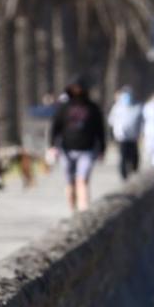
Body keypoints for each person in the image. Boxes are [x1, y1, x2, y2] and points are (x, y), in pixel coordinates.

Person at [48, 76, 106, 212]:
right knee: (69, 182)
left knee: (82, 180)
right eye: (74, 89)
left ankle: (84, 210)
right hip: (66, 150)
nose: (77, 92)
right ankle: (72, 210)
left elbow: (100, 129)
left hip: (87, 150)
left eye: (79, 89)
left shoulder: (92, 108)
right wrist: (52, 146)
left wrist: (102, 148)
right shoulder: (63, 108)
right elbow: (55, 127)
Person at [107, 86, 143, 180]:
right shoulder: (117, 107)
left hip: (133, 137)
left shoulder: (138, 106)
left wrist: (140, 133)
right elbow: (111, 121)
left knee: (134, 157)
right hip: (122, 137)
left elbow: (141, 121)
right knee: (123, 157)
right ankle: (124, 176)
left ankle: (134, 172)